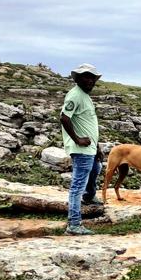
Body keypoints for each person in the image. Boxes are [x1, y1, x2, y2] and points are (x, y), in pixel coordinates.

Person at [60, 63, 103, 235]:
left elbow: (89, 124)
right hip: (82, 148)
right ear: (77, 78)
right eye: (86, 77)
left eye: (92, 77)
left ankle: (89, 196)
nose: (90, 80)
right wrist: (77, 139)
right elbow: (64, 117)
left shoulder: (85, 96)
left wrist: (97, 146)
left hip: (90, 147)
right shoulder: (75, 95)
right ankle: (74, 224)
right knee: (78, 184)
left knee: (96, 168)